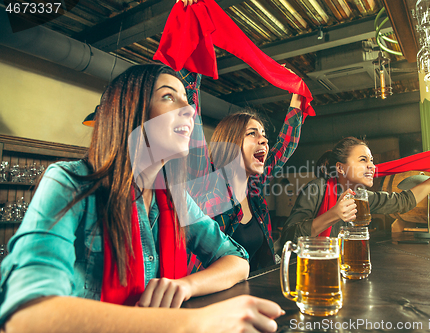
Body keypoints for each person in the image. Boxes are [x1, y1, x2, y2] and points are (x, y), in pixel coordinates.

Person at [0, 64, 284, 333]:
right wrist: (196, 322)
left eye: (186, 101)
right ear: (131, 113)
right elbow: (25, 315)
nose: (188, 110)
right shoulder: (68, 182)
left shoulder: (174, 198)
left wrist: (186, 286)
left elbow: (236, 259)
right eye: (168, 97)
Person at [188, 93, 303, 272]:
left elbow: (284, 146)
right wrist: (194, 70)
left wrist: (297, 100)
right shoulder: (207, 183)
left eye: (264, 135)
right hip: (206, 297)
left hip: (249, 293)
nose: (264, 140)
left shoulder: (253, 189)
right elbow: (190, 119)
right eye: (252, 133)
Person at [279, 136, 430, 247]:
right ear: (340, 168)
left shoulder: (362, 197)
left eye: (371, 160)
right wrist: (334, 214)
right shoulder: (317, 188)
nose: (372, 166)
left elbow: (403, 201)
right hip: (307, 272)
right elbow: (289, 236)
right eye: (363, 160)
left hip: (343, 269)